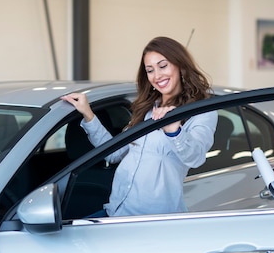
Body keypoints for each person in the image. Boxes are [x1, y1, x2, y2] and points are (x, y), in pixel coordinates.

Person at [61, 36, 217, 217]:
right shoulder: (146, 108)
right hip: (117, 210)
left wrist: (174, 130)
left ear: (181, 66)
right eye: (150, 70)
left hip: (152, 222)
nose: (157, 76)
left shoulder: (201, 111)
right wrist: (88, 114)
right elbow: (115, 153)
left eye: (163, 66)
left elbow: (195, 158)